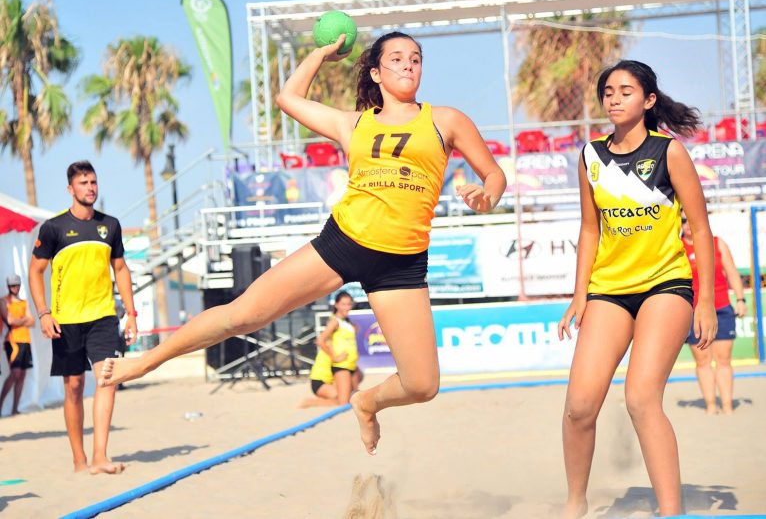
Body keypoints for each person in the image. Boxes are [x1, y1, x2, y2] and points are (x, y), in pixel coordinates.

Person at [97, 31, 507, 455]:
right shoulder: (354, 122)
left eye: (416, 58)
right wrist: (320, 53)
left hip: (401, 263)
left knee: (422, 385)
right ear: (376, 72)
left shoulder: (446, 120)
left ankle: (366, 401)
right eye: (398, 58)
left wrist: (488, 194)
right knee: (243, 315)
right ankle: (145, 362)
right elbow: (288, 97)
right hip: (344, 242)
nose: (408, 64)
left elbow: (494, 173)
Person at [557, 60, 717, 518]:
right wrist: (579, 294)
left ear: (648, 100)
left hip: (666, 284)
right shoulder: (590, 156)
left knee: (641, 397)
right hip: (609, 289)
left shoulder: (669, 153)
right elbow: (590, 230)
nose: (614, 97)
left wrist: (704, 300)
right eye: (608, 91)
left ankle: (672, 512)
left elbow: (701, 230)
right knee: (580, 406)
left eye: (626, 90)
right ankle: (575, 503)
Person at [28, 160, 138, 474]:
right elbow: (35, 272)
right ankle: (79, 460)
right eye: (83, 183)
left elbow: (120, 269)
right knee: (74, 387)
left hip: (103, 316)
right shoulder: (53, 228)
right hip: (66, 319)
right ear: (70, 189)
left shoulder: (110, 225)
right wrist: (44, 313)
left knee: (108, 380)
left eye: (93, 182)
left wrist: (131, 314)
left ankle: (100, 456)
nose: (90, 188)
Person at [681, 213, 746, 415]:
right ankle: (711, 405)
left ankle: (727, 406)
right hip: (694, 311)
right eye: (683, 220)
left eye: (690, 218)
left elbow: (732, 272)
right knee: (702, 360)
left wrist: (741, 299)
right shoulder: (676, 247)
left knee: (724, 359)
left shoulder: (717, 243)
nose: (688, 223)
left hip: (721, 308)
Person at [300, 291, 364, 408]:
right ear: (336, 305)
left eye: (349, 304)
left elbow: (347, 339)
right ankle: (310, 402)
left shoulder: (347, 323)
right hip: (329, 373)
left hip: (347, 366)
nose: (347, 307)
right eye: (344, 304)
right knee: (344, 403)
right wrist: (334, 356)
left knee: (355, 393)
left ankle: (337, 392)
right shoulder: (335, 321)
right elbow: (320, 340)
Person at [0, 274, 36, 416]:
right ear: (9, 286)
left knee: (22, 375)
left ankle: (15, 408)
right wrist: (23, 320)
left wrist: (19, 320)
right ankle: (1, 404)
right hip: (12, 341)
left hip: (26, 341)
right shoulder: (4, 301)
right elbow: (9, 320)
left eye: (17, 285)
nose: (15, 288)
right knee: (15, 373)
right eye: (12, 285)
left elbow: (32, 322)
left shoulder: (23, 302)